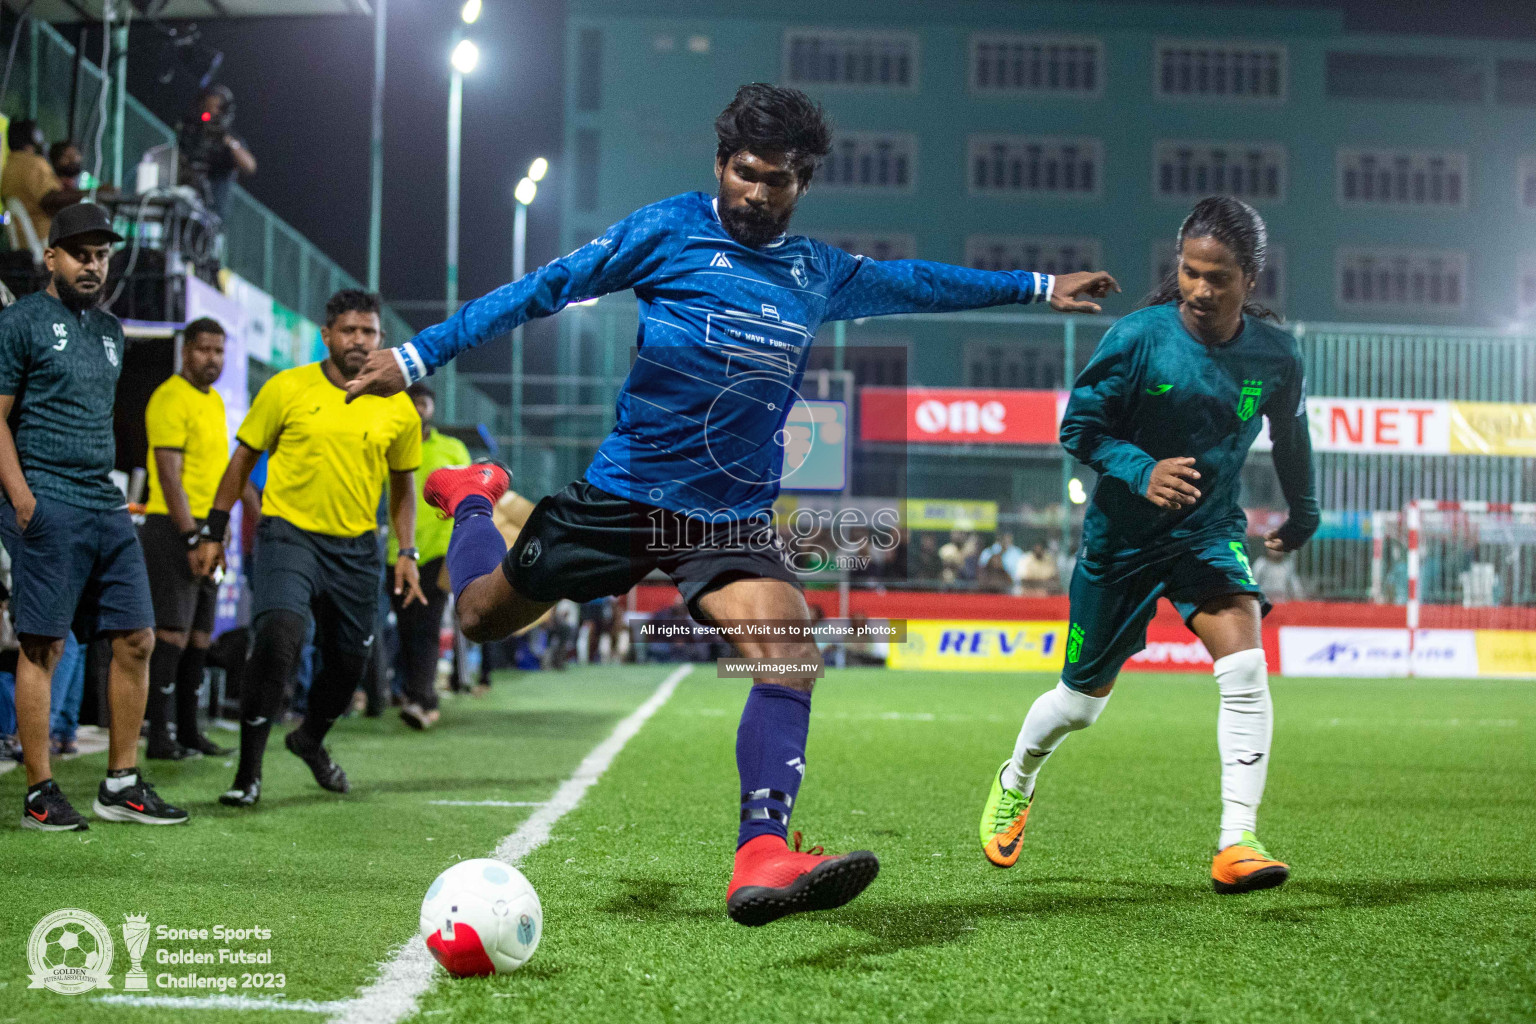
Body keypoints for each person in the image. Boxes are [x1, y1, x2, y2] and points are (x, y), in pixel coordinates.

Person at [344, 82, 1118, 925]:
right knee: (483, 618)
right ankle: (470, 496)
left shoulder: (818, 273)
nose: (756, 191)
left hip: (730, 517)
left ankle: (762, 855)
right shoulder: (669, 230)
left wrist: (1041, 286)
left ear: (801, 185)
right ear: (721, 164)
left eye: (776, 180)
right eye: (744, 172)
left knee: (790, 648)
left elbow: (921, 283)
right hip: (625, 497)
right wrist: (418, 356)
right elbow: (546, 286)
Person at [978, 196, 1318, 894]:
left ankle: (1237, 841)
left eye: (1217, 277)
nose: (1199, 288)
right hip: (1121, 542)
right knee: (1079, 706)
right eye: (1190, 272)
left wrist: (1305, 509)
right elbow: (1079, 429)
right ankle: (1017, 778)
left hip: (1208, 532)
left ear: (1250, 278)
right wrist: (1141, 470)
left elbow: (1292, 436)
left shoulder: (1277, 353)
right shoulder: (1138, 338)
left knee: (1246, 666)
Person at [193, 289, 424, 808]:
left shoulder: (399, 407)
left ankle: (309, 739)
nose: (359, 341)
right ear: (327, 336)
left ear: (381, 338)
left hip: (358, 549)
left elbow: (404, 488)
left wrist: (405, 553)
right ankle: (247, 774)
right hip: (288, 536)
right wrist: (213, 530)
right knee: (279, 635)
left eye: (368, 332)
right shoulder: (287, 388)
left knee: (349, 663)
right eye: (349, 331)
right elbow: (241, 460)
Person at [0, 202, 188, 830]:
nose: (93, 263)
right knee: (44, 644)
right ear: (51, 257)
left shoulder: (110, 333)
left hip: (104, 503)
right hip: (46, 500)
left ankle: (121, 783)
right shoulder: (22, 321)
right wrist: (24, 503)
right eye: (80, 252)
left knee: (137, 638)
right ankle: (39, 792)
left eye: (102, 253)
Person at [139, 317, 236, 759]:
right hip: (172, 528)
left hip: (207, 532)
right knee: (171, 634)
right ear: (185, 351)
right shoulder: (169, 397)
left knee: (200, 637)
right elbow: (169, 475)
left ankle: (189, 731)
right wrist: (194, 536)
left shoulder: (214, 401)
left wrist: (221, 526)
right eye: (203, 349)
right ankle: (159, 734)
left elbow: (217, 474)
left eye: (219, 351)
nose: (212, 358)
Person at [390, 382, 469, 731]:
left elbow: (472, 495)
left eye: (424, 403)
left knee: (428, 625)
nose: (419, 409)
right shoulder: (391, 447)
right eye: (413, 403)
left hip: (440, 552)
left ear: (432, 408)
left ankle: (423, 699)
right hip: (399, 554)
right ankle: (416, 694)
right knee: (406, 629)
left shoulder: (452, 449)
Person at [1, 121, 93, 248]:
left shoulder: (9, 166)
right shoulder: (34, 164)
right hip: (44, 239)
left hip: (24, 243)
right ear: (32, 139)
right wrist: (92, 192)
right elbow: (51, 199)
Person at [177, 85, 256, 221]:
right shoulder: (192, 134)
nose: (208, 113)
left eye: (213, 108)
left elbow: (250, 166)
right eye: (206, 107)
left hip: (213, 215)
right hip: (185, 207)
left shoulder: (230, 139)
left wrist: (227, 140)